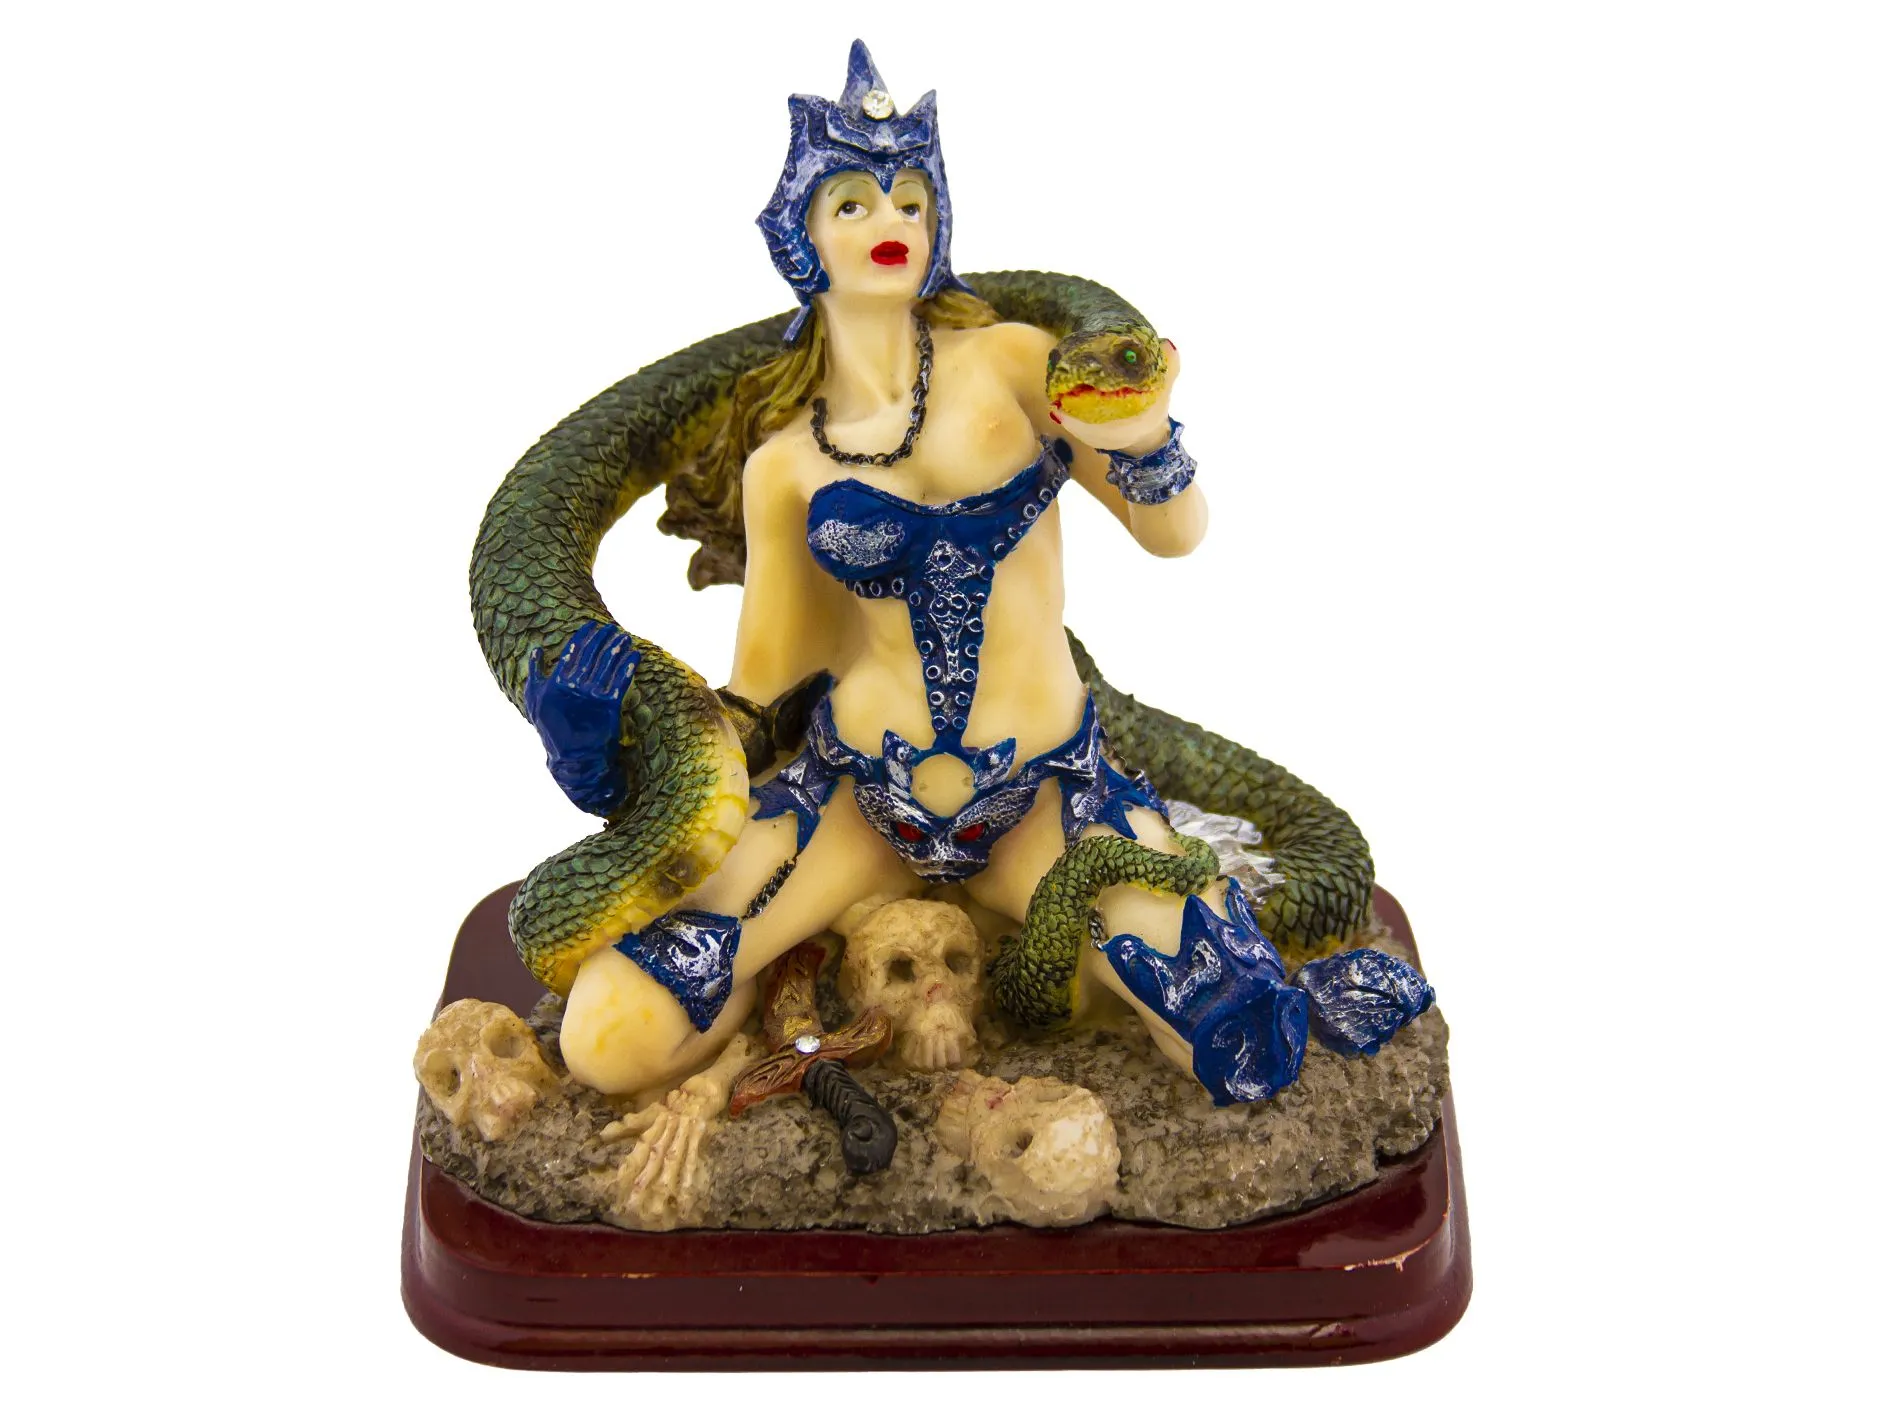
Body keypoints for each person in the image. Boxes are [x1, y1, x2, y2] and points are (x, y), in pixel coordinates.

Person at [552, 43, 1291, 1113]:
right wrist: (601, 757)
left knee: (1232, 1020)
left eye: (910, 196)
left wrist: (1146, 437)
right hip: (857, 802)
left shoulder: (1015, 364)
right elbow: (763, 690)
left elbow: (1174, 534)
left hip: (1047, 793)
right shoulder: (784, 466)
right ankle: (799, 982)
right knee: (611, 1032)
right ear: (800, 237)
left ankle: (1030, 951)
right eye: (851, 202)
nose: (888, 218)